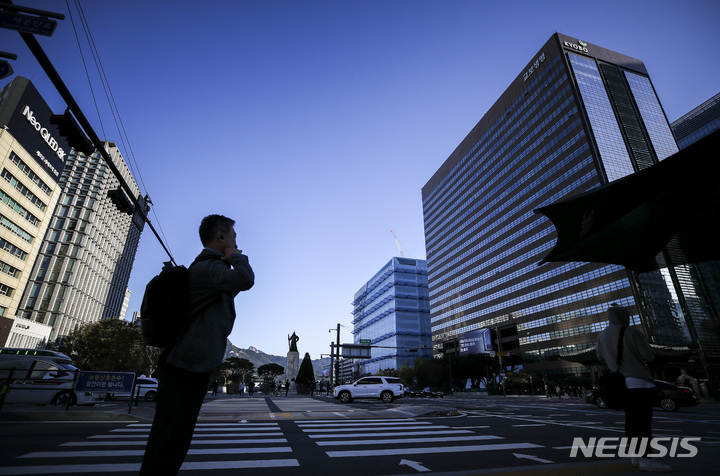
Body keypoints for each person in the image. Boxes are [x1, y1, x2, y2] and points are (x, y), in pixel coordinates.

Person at [140, 214, 254, 475]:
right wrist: (236, 257)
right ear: (221, 236)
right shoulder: (209, 268)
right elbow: (246, 279)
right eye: (233, 236)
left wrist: (229, 260)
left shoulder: (208, 269)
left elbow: (231, 290)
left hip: (185, 364)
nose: (237, 242)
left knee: (171, 438)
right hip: (186, 366)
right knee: (171, 440)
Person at [596, 304, 672, 473]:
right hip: (639, 382)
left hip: (620, 385)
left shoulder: (601, 336)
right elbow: (648, 355)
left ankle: (636, 456)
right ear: (624, 316)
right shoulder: (632, 332)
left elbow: (600, 357)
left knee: (631, 422)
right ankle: (646, 459)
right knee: (643, 423)